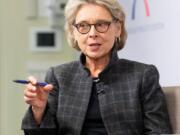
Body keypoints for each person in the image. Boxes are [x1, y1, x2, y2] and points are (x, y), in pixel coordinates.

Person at [21, 0, 172, 134]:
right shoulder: (59, 76)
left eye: (101, 24)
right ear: (74, 32)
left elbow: (159, 131)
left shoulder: (143, 75)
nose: (92, 33)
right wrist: (39, 110)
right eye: (83, 26)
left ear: (118, 28)